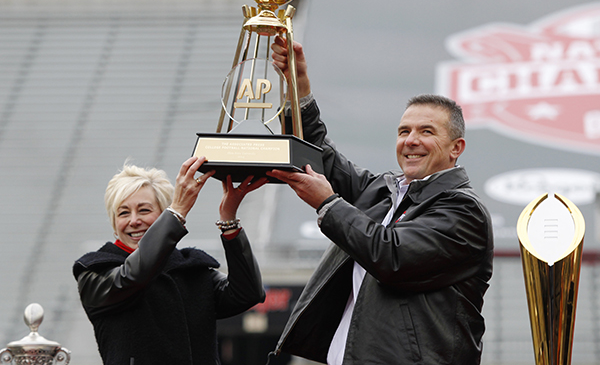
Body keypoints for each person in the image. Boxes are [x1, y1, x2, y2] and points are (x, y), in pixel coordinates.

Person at [265, 37, 494, 364]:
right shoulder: (383, 192)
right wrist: (296, 87)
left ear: (456, 148)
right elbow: (320, 158)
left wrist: (328, 204)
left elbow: (392, 256)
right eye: (404, 131)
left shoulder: (463, 211)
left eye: (426, 132)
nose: (411, 141)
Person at [73, 156, 267, 365]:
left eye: (144, 210)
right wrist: (177, 213)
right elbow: (134, 275)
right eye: (123, 213)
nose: (134, 220)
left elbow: (247, 293)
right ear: (114, 224)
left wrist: (229, 220)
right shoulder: (95, 272)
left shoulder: (190, 268)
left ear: (161, 216)